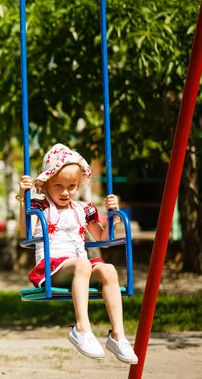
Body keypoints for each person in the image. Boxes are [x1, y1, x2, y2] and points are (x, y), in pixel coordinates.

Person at [18, 143, 138, 365]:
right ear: (45, 185)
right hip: (51, 269)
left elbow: (103, 240)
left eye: (72, 186)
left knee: (108, 269)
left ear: (79, 184)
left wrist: (113, 215)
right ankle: (82, 329)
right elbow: (26, 232)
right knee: (83, 264)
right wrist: (24, 198)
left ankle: (118, 337)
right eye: (58, 186)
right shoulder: (39, 207)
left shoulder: (83, 209)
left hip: (78, 268)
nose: (65, 192)